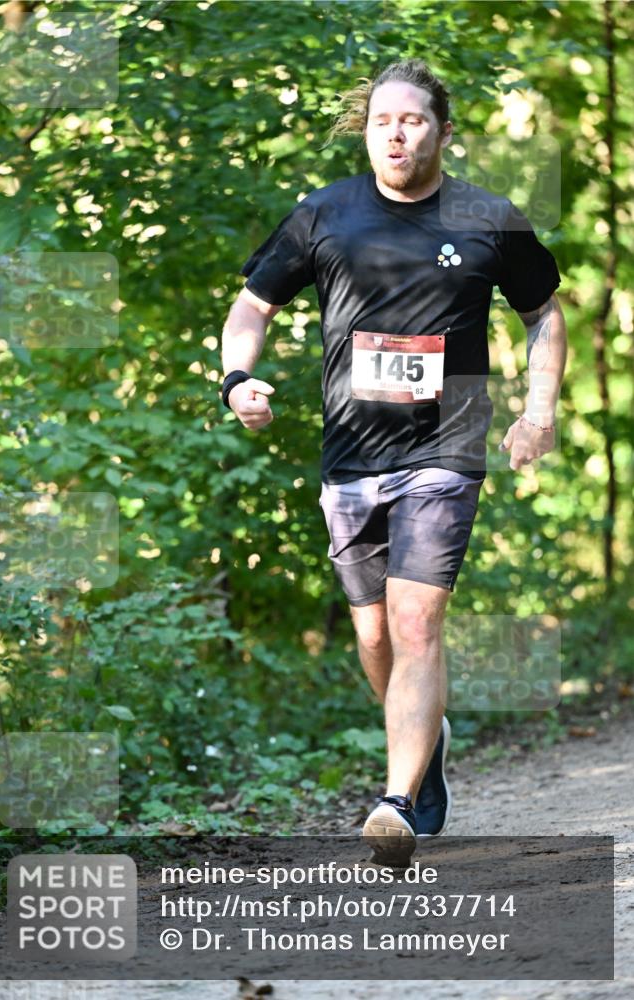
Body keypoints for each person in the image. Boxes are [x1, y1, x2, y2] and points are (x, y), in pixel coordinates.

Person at [221, 59, 567, 866]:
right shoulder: (324, 215)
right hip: (350, 457)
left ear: (442, 131)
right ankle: (427, 743)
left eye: (412, 120)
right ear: (365, 130)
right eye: (382, 121)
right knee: (374, 637)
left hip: (444, 450)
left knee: (416, 622)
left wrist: (537, 410)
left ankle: (395, 800)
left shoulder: (488, 218)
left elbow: (543, 313)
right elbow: (252, 305)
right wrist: (237, 378)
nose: (396, 133)